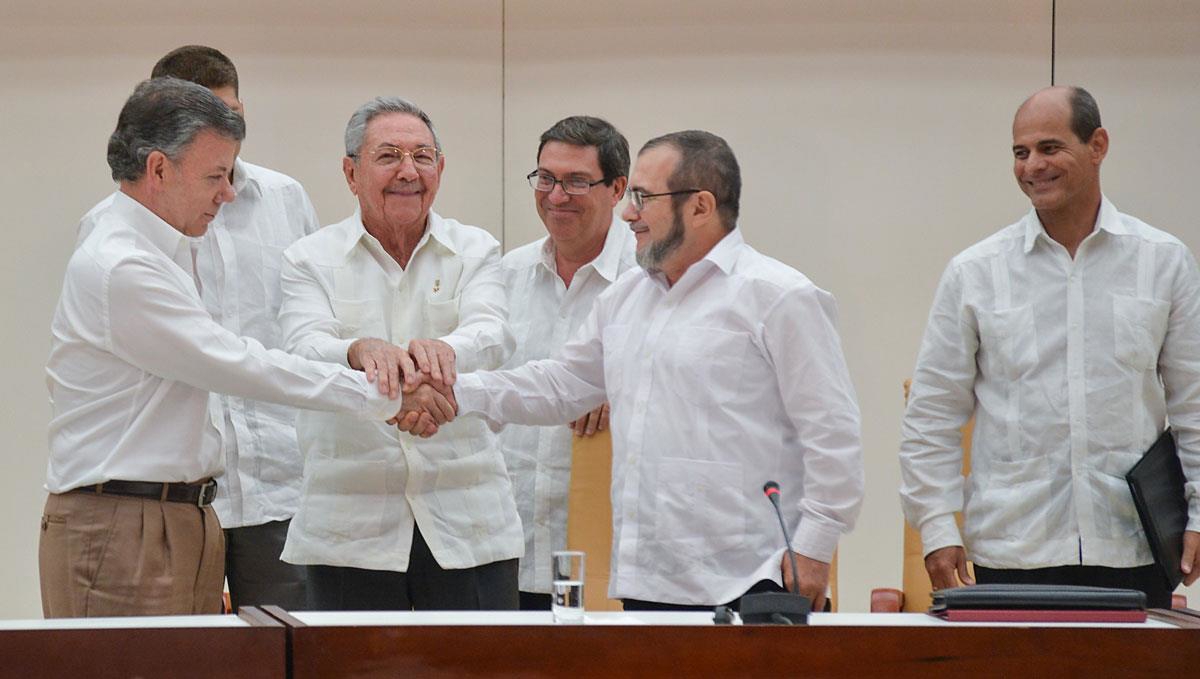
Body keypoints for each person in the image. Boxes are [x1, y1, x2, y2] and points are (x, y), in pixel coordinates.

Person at [41, 78, 436, 618]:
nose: (228, 194)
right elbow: (235, 363)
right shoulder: (121, 262)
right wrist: (389, 397)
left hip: (179, 512)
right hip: (123, 521)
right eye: (216, 176)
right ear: (158, 169)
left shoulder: (166, 245)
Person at [429, 130, 864, 612]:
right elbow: (558, 385)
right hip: (645, 581)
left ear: (700, 206)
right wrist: (452, 391)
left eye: (642, 197)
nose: (628, 212)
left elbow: (833, 434)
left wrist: (815, 546)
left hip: (753, 578)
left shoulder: (780, 297)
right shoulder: (626, 298)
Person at [899, 86, 1200, 607]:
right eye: (1020, 153)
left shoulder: (1163, 262)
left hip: (1133, 551)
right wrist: (936, 528)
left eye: (1049, 147)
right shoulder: (975, 272)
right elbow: (931, 414)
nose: (1032, 166)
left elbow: (1194, 401)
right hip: (1011, 553)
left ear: (1098, 145)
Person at [78, 45, 319, 612]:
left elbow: (313, 322)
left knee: (293, 658)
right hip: (176, 501)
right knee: (188, 658)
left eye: (231, 114)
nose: (222, 133)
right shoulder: (114, 230)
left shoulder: (285, 199)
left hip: (280, 488)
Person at [277, 96, 523, 611]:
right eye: (388, 156)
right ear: (351, 173)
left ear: (441, 168)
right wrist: (358, 350)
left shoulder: (476, 249)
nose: (408, 171)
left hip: (468, 520)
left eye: (423, 156)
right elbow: (302, 349)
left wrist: (439, 355)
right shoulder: (308, 259)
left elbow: (494, 333)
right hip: (349, 528)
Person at [500, 115, 636, 610]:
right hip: (508, 547)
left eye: (576, 181)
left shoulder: (651, 281)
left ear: (618, 187)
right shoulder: (504, 275)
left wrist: (613, 389)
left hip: (609, 560)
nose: (556, 196)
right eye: (546, 178)